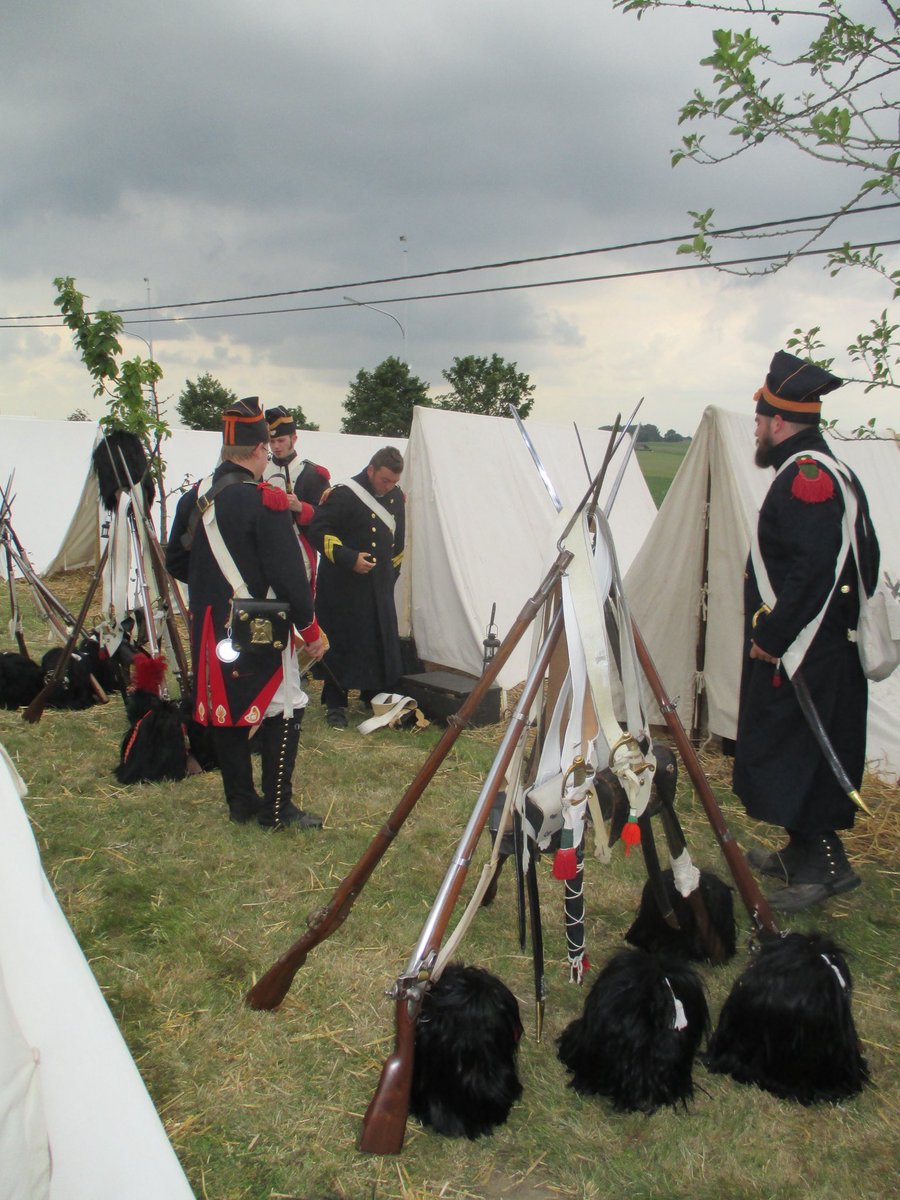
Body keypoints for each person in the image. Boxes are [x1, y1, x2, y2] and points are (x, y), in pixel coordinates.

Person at [734, 351, 880, 913]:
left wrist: (772, 637)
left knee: (804, 753)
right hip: (814, 647)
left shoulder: (807, 478)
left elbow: (814, 569)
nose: (756, 431)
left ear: (778, 422)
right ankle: (801, 850)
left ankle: (825, 864)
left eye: (759, 421)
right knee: (792, 750)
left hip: (804, 651)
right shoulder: (823, 469)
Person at [166, 396, 328, 829]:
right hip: (261, 624)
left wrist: (213, 590)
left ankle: (240, 804)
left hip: (210, 628)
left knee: (228, 708)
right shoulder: (265, 501)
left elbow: (175, 561)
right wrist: (311, 629)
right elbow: (290, 576)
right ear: (258, 450)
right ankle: (277, 810)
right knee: (286, 706)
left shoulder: (194, 498)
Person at [307, 446, 405, 728]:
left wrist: (389, 577)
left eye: (393, 482)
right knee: (341, 643)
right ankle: (335, 702)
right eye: (385, 480)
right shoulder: (344, 494)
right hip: (343, 587)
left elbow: (398, 542)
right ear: (371, 470)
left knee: (374, 641)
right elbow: (318, 530)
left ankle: (371, 693)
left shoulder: (396, 497)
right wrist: (349, 559)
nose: (388, 487)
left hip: (378, 586)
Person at [263, 405, 331, 589]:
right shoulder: (261, 470)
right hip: (265, 550)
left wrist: (300, 507)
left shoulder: (313, 475)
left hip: (299, 554)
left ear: (294, 438)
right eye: (272, 441)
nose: (276, 447)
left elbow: (328, 518)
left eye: (281, 440)